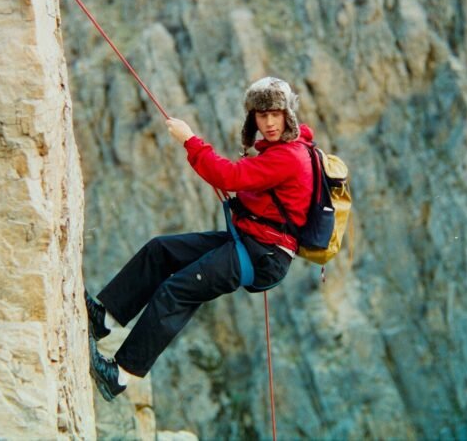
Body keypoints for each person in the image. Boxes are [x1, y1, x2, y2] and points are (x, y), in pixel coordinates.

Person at [86, 76, 314, 401]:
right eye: (262, 115)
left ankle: (120, 375)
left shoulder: (288, 156)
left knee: (176, 292)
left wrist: (190, 140)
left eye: (275, 113)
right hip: (251, 244)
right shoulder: (284, 152)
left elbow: (230, 176)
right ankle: (104, 318)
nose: (269, 122)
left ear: (288, 114)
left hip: (262, 255)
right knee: (161, 251)